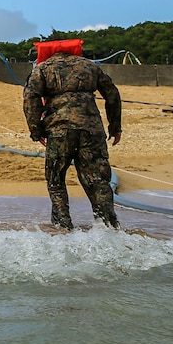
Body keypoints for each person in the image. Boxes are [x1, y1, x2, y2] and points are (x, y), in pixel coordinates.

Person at [22, 43, 122, 230]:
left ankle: (63, 227)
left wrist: (36, 130)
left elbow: (30, 97)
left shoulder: (43, 69)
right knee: (98, 180)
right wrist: (115, 127)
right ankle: (108, 227)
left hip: (59, 131)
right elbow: (112, 94)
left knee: (56, 178)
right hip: (91, 129)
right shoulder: (90, 66)